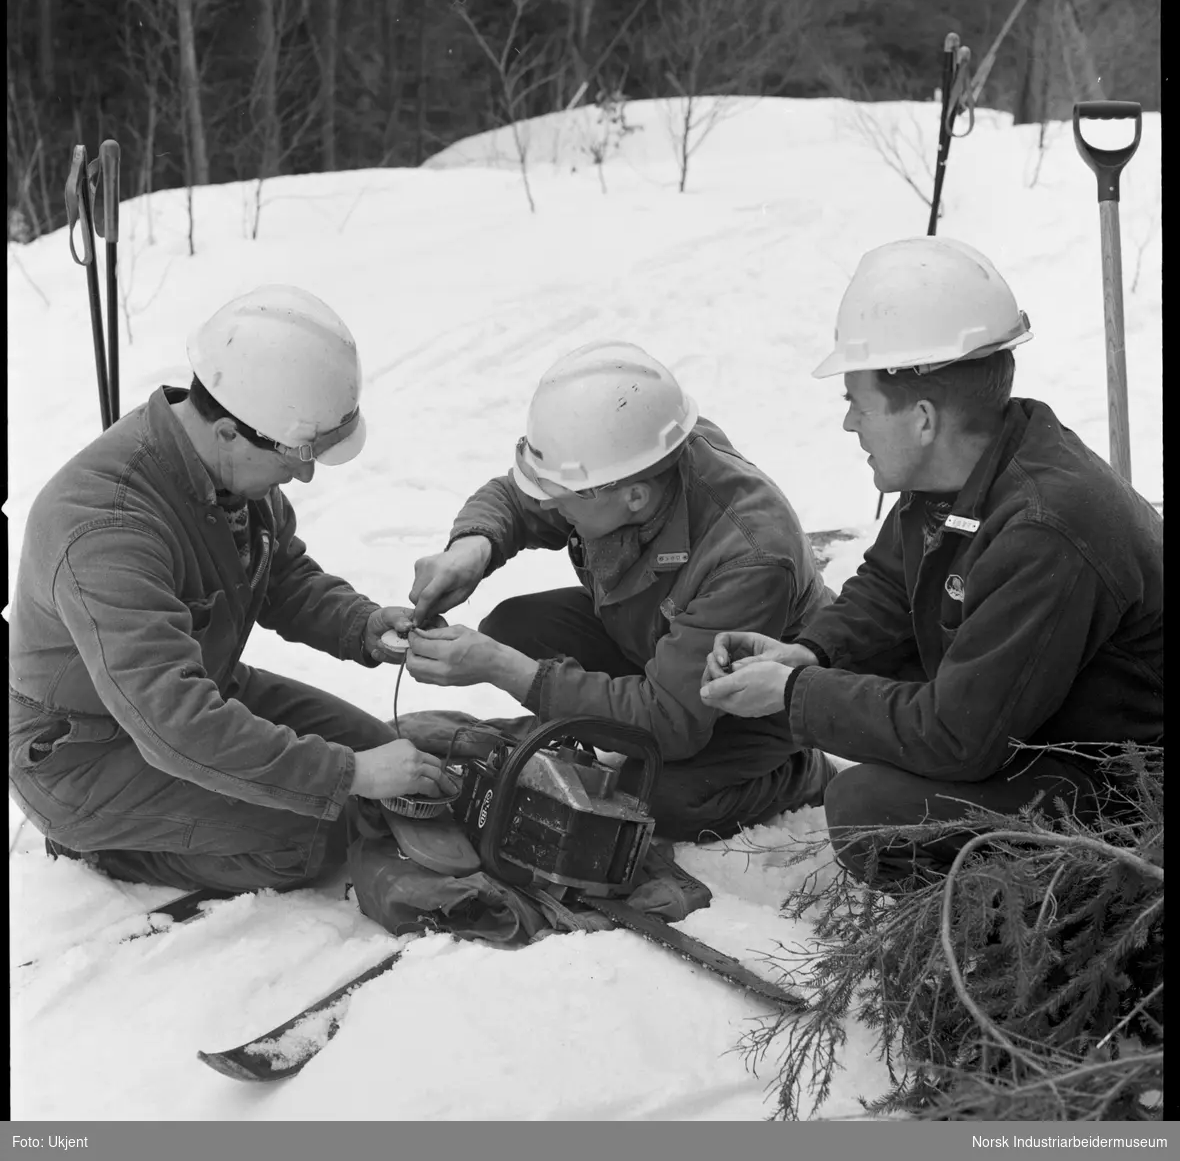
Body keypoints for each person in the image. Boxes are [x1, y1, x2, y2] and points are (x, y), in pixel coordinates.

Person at [698, 237, 1164, 885]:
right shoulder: (965, 464)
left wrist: (793, 694)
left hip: (1118, 786)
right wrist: (810, 656)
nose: (849, 424)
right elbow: (891, 583)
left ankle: (1014, 926)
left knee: (868, 808)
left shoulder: (1046, 527)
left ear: (921, 418)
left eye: (856, 403)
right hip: (1040, 716)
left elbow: (959, 738)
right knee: (887, 680)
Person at [8, 286, 453, 894]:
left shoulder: (232, 462)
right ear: (226, 431)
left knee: (382, 758)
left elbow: (282, 574)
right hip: (89, 753)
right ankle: (106, 844)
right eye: (299, 455)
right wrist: (346, 773)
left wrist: (363, 626)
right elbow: (174, 721)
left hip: (194, 689)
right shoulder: (106, 528)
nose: (305, 473)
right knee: (318, 832)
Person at [399, 340, 836, 842]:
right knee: (514, 628)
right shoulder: (621, 461)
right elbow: (516, 498)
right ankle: (601, 730)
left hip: (744, 703)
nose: (551, 504)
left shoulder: (748, 556)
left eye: (562, 498)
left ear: (634, 496)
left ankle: (799, 770)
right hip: (657, 646)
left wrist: (505, 670)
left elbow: (671, 719)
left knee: (653, 800)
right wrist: (471, 549)